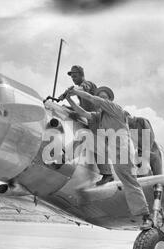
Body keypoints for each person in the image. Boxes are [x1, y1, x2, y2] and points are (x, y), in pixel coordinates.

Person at [65, 86, 152, 229]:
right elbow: (81, 112)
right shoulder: (99, 116)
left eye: (104, 97)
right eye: (101, 97)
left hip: (122, 146)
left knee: (129, 180)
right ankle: (62, 158)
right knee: (83, 135)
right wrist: (69, 98)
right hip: (110, 145)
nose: (102, 99)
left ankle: (146, 216)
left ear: (109, 100)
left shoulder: (115, 108)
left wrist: (75, 91)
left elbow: (93, 99)